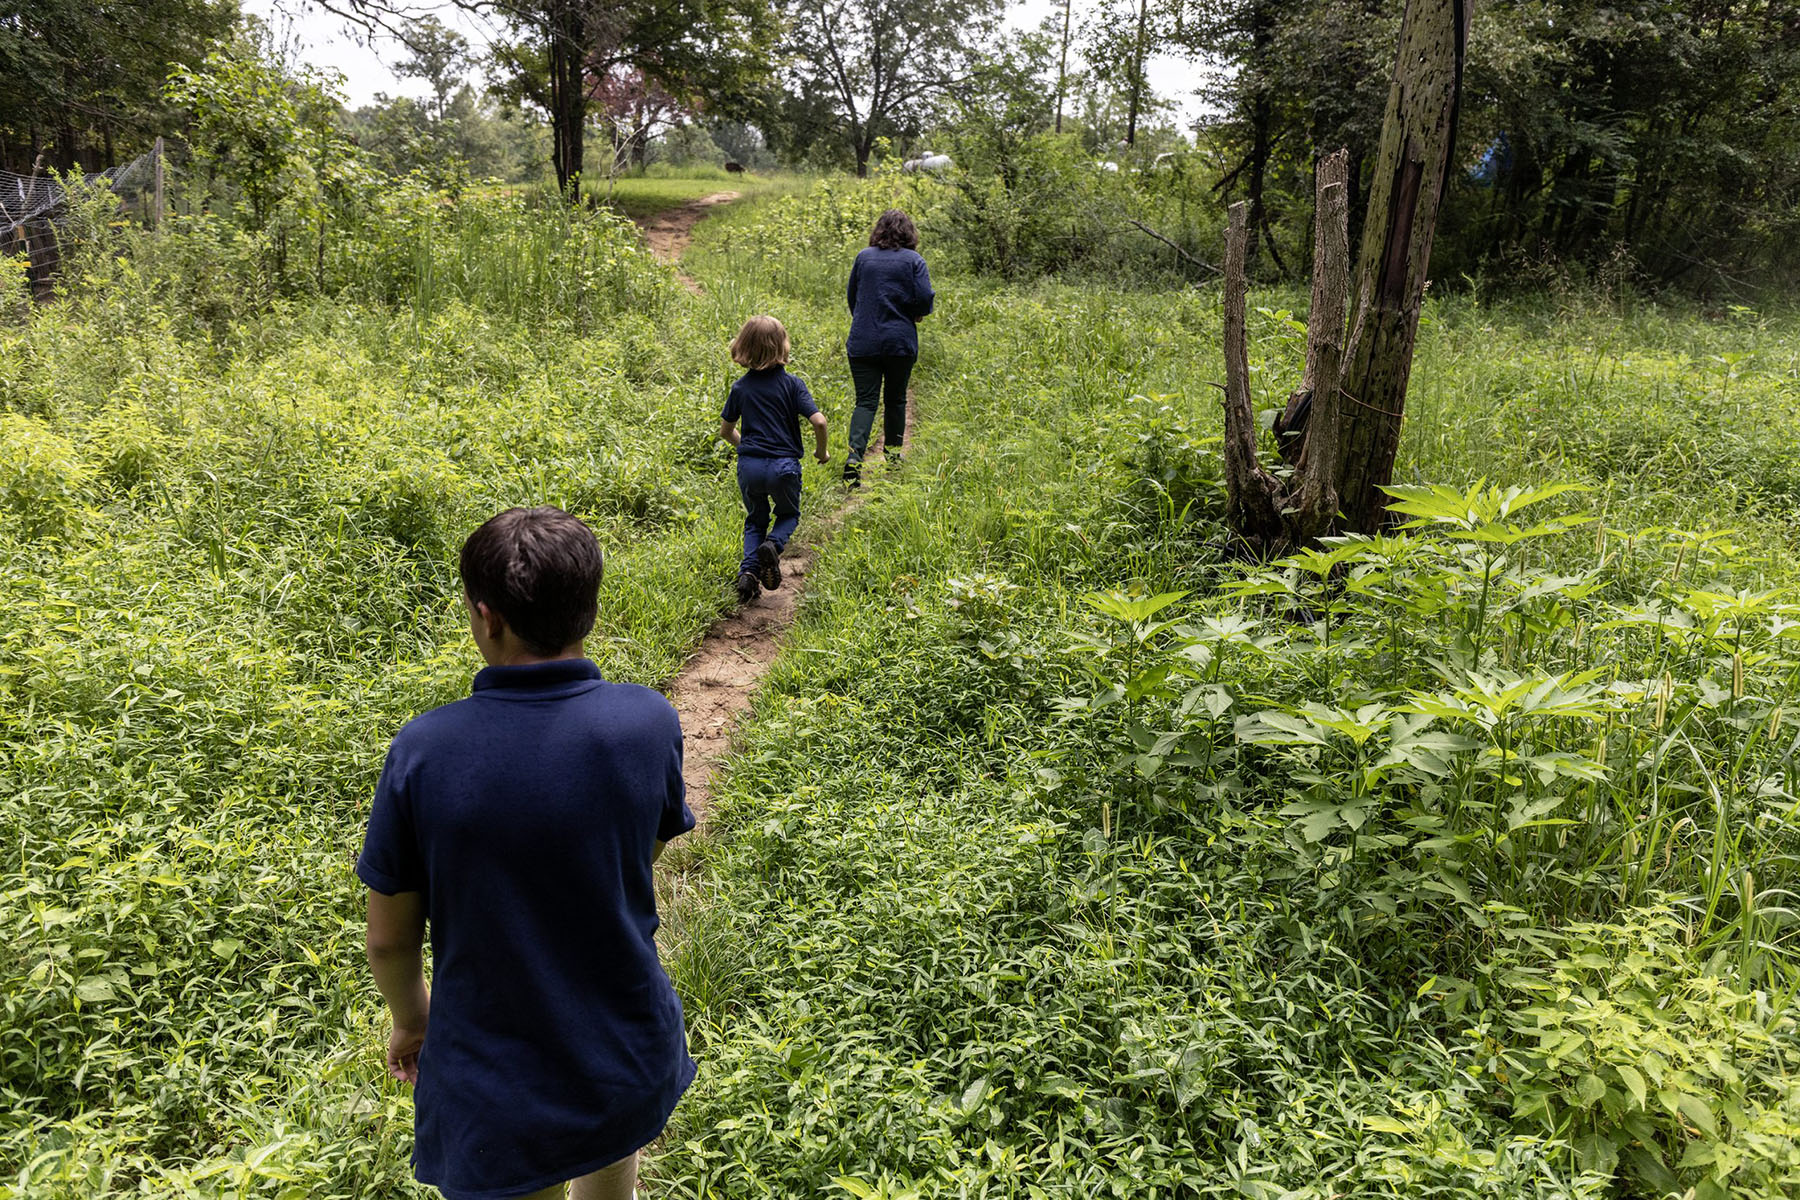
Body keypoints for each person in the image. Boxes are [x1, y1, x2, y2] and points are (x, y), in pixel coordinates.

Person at [358, 506, 696, 1200]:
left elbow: (390, 942)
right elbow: (645, 847)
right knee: (611, 1184)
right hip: (625, 1050)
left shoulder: (424, 752)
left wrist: (413, 1022)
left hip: (496, 1081)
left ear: (487, 618)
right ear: (590, 610)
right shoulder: (648, 720)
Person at [718, 314, 830, 604]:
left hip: (750, 467)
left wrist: (748, 447)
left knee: (755, 519)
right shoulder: (793, 385)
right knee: (788, 514)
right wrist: (821, 451)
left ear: (743, 346)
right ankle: (773, 545)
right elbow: (819, 422)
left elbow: (726, 431)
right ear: (782, 347)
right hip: (783, 466)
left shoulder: (740, 388)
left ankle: (748, 575)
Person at [843, 208, 934, 487]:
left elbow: (852, 297)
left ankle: (854, 457)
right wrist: (915, 313)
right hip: (899, 342)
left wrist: (864, 318)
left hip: (863, 341)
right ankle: (893, 461)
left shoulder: (863, 258)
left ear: (878, 231)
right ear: (909, 233)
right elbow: (925, 297)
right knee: (895, 400)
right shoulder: (914, 261)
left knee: (865, 401)